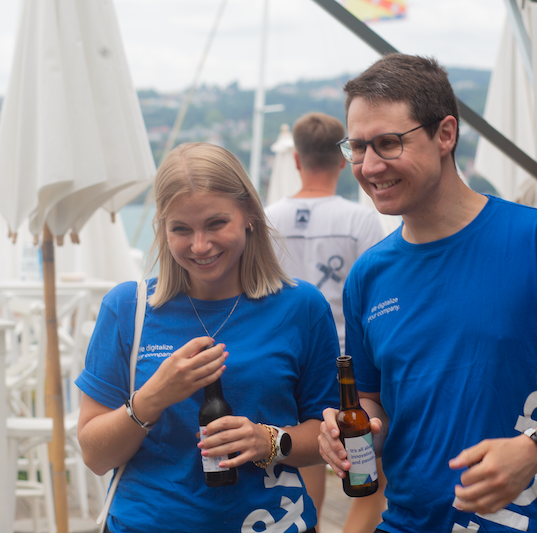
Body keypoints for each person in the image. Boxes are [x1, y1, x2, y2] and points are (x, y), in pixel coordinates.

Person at [318, 53, 537, 533]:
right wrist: (346, 433)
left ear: (445, 134)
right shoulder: (368, 275)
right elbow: (373, 405)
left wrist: (536, 448)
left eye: (388, 143)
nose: (368, 166)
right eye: (357, 147)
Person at [76, 142, 340, 533]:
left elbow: (325, 430)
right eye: (181, 229)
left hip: (272, 522)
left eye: (216, 224)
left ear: (249, 214)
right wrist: (154, 396)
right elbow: (95, 456)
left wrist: (266, 440)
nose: (200, 245)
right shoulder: (127, 308)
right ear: (162, 229)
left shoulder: (301, 307)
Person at [265, 111, 388, 532]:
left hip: (285, 361)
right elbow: (377, 294)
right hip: (347, 367)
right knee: (371, 480)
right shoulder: (359, 219)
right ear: (342, 160)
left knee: (303, 472)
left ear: (296, 160)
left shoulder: (266, 218)